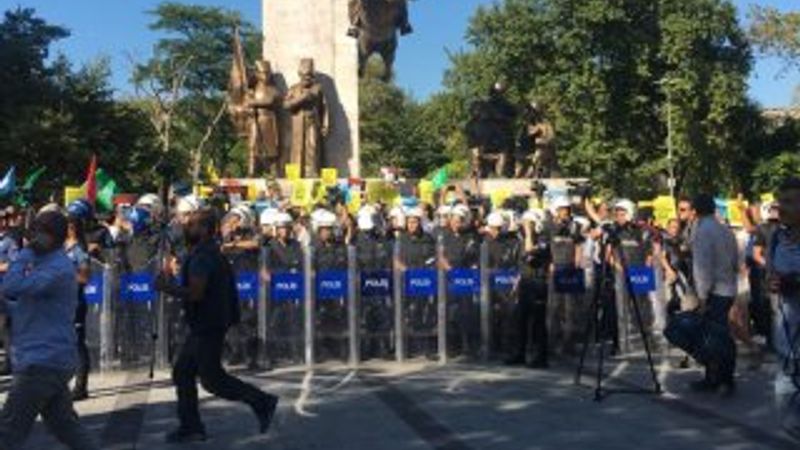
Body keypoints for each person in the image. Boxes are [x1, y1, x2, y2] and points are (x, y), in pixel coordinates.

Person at [155, 209, 278, 443]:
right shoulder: (205, 251)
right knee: (183, 372)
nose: (185, 227)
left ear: (203, 229)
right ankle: (191, 426)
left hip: (208, 324)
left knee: (212, 380)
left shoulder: (203, 256)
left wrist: (165, 287)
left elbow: (196, 293)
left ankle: (262, 401)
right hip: (206, 322)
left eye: (191, 224)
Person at [0, 210, 98, 450]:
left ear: (54, 235)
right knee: (66, 427)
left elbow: (12, 285)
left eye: (39, 230)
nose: (32, 235)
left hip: (42, 360)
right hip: (45, 358)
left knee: (8, 431)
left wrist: (24, 253)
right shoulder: (44, 263)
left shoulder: (58, 268)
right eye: (33, 229)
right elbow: (25, 307)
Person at [687, 194, 739, 395]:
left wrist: (702, 297)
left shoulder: (702, 230)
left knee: (714, 338)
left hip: (713, 292)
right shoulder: (724, 229)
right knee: (720, 335)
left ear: (695, 210)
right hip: (727, 288)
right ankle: (718, 377)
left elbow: (702, 267)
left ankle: (721, 380)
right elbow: (735, 259)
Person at [767, 177, 800, 440]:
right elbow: (771, 274)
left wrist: (794, 282)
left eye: (789, 202)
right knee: (786, 377)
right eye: (781, 202)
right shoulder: (777, 236)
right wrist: (774, 281)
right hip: (786, 329)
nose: (782, 208)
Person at [507, 209, 551, 368]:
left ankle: (541, 357)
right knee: (520, 321)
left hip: (537, 283)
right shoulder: (522, 240)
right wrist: (516, 283)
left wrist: (529, 233)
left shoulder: (543, 241)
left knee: (538, 322)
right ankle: (520, 353)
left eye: (529, 223)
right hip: (525, 283)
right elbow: (521, 264)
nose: (525, 226)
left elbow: (529, 252)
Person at [64, 213, 92, 401]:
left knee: (77, 343)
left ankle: (81, 386)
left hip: (75, 302)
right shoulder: (59, 248)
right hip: (59, 303)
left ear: (72, 228)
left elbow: (84, 277)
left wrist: (63, 274)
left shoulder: (80, 250)